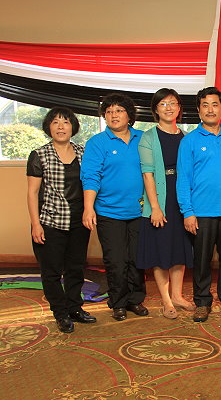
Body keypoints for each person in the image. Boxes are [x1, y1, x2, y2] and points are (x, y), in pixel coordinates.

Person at [177, 87, 221, 322]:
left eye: (215, 105)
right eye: (205, 105)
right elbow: (183, 178)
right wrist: (187, 211)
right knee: (202, 260)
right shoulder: (189, 141)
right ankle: (202, 301)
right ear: (198, 110)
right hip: (201, 212)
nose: (210, 110)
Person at [26, 107, 95, 333]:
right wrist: (36, 224)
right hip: (50, 221)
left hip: (79, 221)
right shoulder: (39, 155)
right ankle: (60, 313)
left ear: (73, 127)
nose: (60, 127)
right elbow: (32, 193)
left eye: (65, 122)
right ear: (49, 127)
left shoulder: (84, 153)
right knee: (52, 271)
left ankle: (75, 307)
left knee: (76, 267)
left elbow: (92, 184)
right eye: (55, 122)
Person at [81, 93, 147, 322]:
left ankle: (135, 299)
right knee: (116, 261)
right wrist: (88, 208)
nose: (113, 115)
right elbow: (90, 177)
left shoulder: (143, 138)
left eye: (119, 110)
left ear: (129, 115)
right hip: (109, 212)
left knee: (137, 259)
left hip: (140, 211)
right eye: (108, 112)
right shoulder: (97, 143)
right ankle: (118, 302)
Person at [137, 88, 195, 319]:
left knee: (180, 249)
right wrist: (155, 207)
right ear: (155, 109)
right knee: (161, 251)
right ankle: (166, 300)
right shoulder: (148, 137)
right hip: (161, 198)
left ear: (179, 108)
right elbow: (148, 174)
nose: (168, 108)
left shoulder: (186, 137)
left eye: (173, 103)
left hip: (182, 198)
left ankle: (178, 296)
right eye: (163, 104)